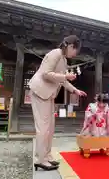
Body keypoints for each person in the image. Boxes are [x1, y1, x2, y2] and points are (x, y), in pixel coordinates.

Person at [29, 35, 87, 171]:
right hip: (39, 91)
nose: (75, 54)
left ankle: (47, 156)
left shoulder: (63, 59)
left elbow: (62, 80)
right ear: (71, 46)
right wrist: (65, 76)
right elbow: (46, 74)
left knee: (50, 127)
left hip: (48, 95)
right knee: (43, 127)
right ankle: (41, 159)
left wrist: (75, 90)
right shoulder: (55, 53)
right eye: (75, 51)